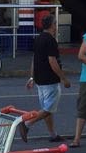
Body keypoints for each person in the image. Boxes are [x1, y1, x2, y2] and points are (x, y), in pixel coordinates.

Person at [25, 13, 69, 143]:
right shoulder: (50, 40)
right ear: (51, 25)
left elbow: (34, 59)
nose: (56, 27)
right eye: (55, 24)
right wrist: (63, 78)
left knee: (47, 108)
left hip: (40, 79)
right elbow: (52, 61)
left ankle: (53, 134)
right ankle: (27, 124)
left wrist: (32, 77)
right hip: (50, 79)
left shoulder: (38, 39)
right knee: (48, 109)